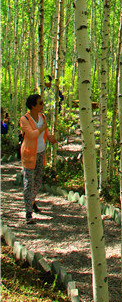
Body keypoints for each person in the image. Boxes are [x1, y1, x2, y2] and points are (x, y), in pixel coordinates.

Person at [20, 93, 57, 224]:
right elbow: (31, 135)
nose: (42, 105)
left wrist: (51, 138)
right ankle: (28, 213)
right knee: (29, 182)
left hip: (41, 153)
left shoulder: (42, 117)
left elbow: (44, 134)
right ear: (32, 105)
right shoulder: (24, 119)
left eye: (42, 102)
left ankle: (31, 201)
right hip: (29, 154)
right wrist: (42, 128)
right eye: (40, 103)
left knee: (37, 181)